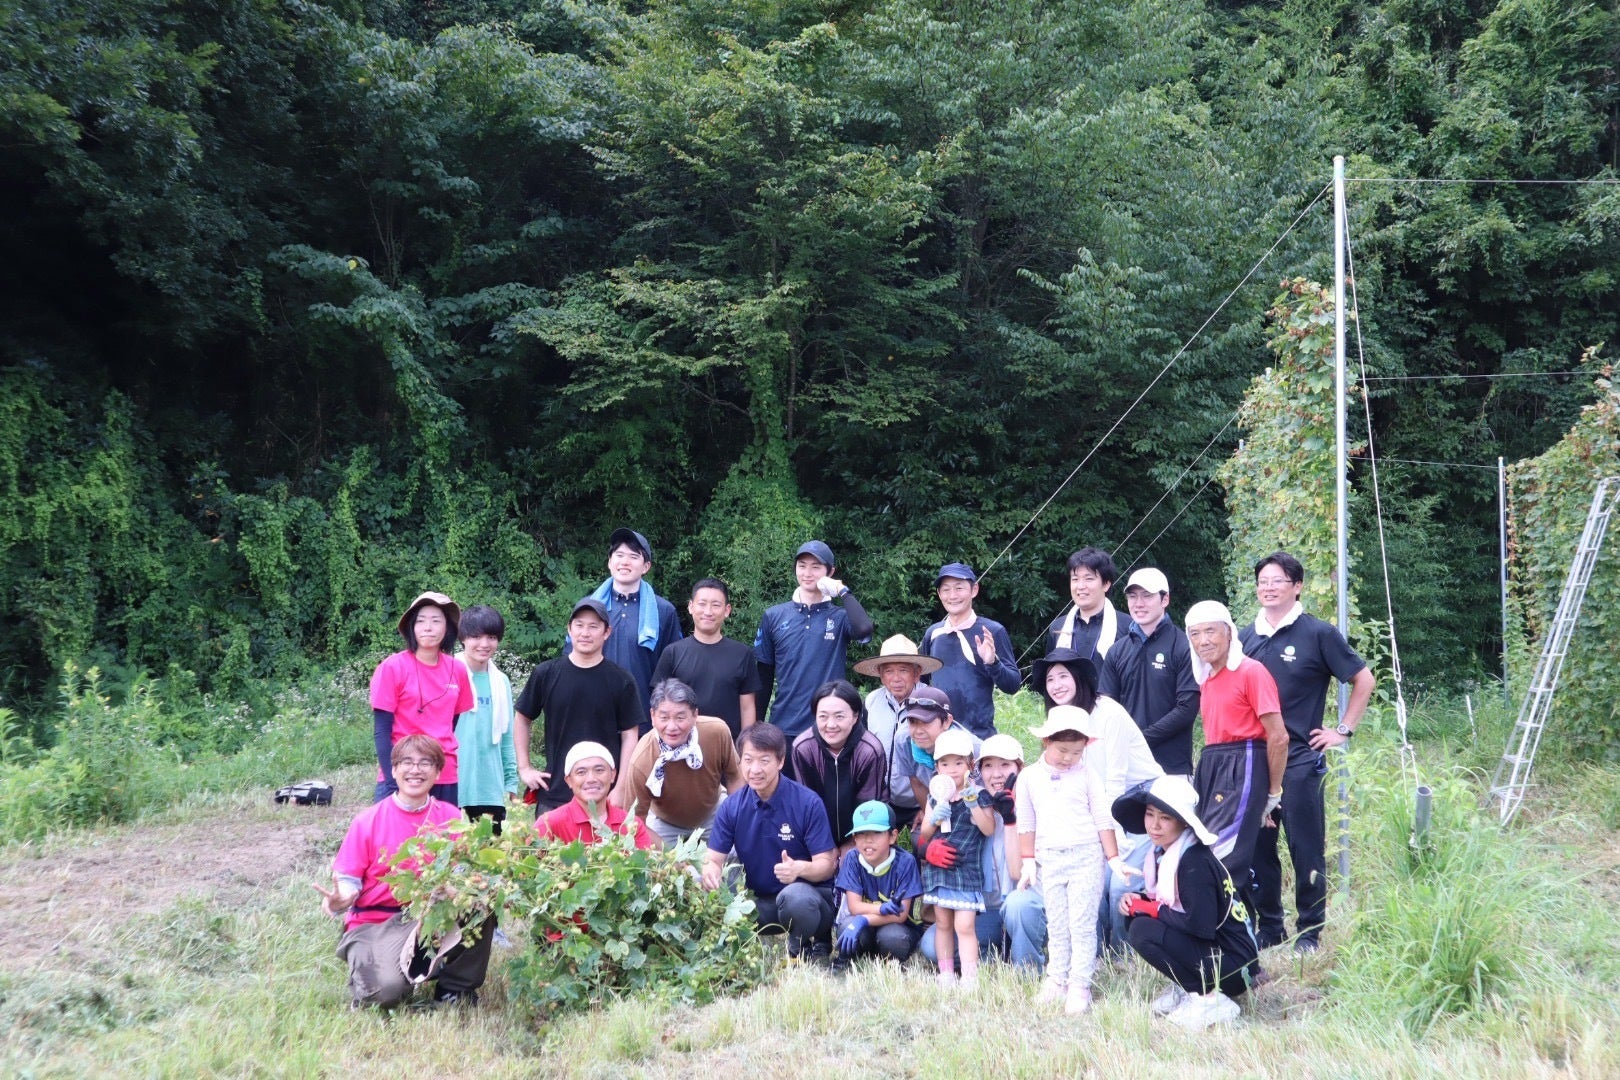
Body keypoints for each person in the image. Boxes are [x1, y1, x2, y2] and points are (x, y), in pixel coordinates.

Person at [1239, 552, 1376, 952]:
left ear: (1297, 586)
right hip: (1256, 758)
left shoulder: (1318, 634)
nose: (1268, 587)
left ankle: (1310, 931)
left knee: (1305, 846)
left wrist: (1342, 730)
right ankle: (1270, 927)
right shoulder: (1245, 638)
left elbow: (1363, 679)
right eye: (1263, 581)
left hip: (1300, 758)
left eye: (1277, 580)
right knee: (1258, 847)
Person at [317, 735, 492, 1008]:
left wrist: (463, 887)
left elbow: (463, 871)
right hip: (376, 923)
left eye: (426, 763)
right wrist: (341, 900)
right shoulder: (368, 821)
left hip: (430, 916)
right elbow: (348, 881)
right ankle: (389, 975)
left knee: (482, 901)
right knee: (383, 995)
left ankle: (454, 989)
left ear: (437, 772)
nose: (415, 770)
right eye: (407, 762)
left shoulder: (452, 818)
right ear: (394, 770)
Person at [1033, 646, 1163, 952]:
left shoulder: (1108, 713)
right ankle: (1096, 952)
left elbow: (1115, 779)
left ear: (1079, 679)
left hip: (1140, 805)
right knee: (1092, 884)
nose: (1056, 685)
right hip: (1099, 809)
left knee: (1120, 885)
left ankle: (1124, 954)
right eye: (1050, 679)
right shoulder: (1061, 720)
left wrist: (1112, 840)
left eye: (1063, 676)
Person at [1114, 775, 1257, 1029]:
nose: (1155, 825)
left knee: (1142, 930)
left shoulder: (1194, 862)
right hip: (1217, 953)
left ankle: (1208, 999)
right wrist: (1139, 902)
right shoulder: (1166, 852)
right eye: (1150, 814)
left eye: (1165, 818)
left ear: (1183, 822)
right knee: (1136, 918)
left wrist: (1153, 909)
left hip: (1235, 967)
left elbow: (1199, 926)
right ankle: (1190, 989)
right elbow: (1169, 906)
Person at [1015, 706, 1125, 1015]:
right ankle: (1057, 979)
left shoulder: (1087, 775)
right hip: (1049, 858)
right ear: (1046, 741)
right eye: (1063, 750)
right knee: (1058, 922)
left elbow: (1102, 817)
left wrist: (1113, 857)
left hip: (1086, 855)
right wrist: (1028, 861)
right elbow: (1026, 822)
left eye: (1077, 752)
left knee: (1082, 923)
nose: (1069, 758)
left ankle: (1080, 984)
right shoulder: (1029, 777)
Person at [702, 724, 839, 959]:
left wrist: (799, 869)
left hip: (809, 900)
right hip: (761, 903)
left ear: (780, 761)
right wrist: (710, 871)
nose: (755, 769)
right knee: (711, 894)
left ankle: (804, 945)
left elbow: (827, 864)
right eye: (748, 760)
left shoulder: (807, 802)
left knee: (796, 899)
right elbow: (714, 859)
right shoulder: (732, 807)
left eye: (764, 761)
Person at [1185, 600, 1287, 909]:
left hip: (1243, 762)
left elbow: (1279, 737)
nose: (1203, 641)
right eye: (1195, 634)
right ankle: (1243, 928)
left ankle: (1234, 935)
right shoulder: (1207, 678)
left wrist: (1271, 794)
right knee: (1205, 848)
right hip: (1213, 763)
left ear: (1229, 632)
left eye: (1210, 631)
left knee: (1223, 858)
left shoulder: (1251, 671)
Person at [919, 733, 1045, 968]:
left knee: (1018, 907)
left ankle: (1022, 963)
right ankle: (990, 953)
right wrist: (928, 849)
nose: (996, 774)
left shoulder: (1032, 804)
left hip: (1024, 904)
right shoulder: (971, 800)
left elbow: (1017, 873)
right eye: (988, 766)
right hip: (983, 907)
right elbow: (928, 833)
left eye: (1005, 765)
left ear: (1019, 768)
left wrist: (1010, 819)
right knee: (930, 945)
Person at [514, 598, 643, 814]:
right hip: (554, 794)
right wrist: (525, 768)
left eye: (593, 626)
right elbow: (522, 718)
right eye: (579, 625)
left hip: (604, 797)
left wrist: (620, 788)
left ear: (607, 632)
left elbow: (630, 735)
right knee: (546, 839)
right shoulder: (546, 673)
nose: (585, 633)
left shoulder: (621, 680)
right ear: (569, 629)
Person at [753, 540, 874, 737]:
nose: (807, 573)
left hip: (829, 729)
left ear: (830, 571)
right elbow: (763, 676)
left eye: (816, 567)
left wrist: (842, 591)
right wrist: (756, 727)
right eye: (802, 566)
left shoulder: (840, 617)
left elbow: (864, 629)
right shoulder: (773, 616)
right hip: (783, 727)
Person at [370, 591, 473, 804]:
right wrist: (393, 780)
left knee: (443, 826)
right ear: (412, 627)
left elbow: (450, 723)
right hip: (404, 772)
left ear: (447, 628)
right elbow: (381, 731)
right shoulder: (393, 667)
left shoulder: (458, 669)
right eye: (421, 621)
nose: (428, 627)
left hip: (444, 772)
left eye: (436, 621)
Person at [575, 528, 683, 733]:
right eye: (619, 555)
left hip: (645, 717)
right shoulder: (587, 608)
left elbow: (673, 669)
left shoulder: (664, 611)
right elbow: (570, 660)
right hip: (592, 713)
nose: (625, 562)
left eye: (633, 556)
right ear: (609, 562)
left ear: (646, 566)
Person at [1098, 567, 1199, 778]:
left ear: (1165, 599)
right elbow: (1106, 708)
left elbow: (1187, 709)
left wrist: (1140, 739)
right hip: (1125, 767)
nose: (1138, 603)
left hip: (1172, 767)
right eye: (1132, 596)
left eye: (1147, 596)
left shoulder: (1184, 646)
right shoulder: (1117, 651)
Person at [918, 726, 996, 989]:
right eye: (945, 763)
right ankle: (946, 973)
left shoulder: (979, 794)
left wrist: (973, 805)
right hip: (940, 869)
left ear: (970, 765)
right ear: (937, 766)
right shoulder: (934, 795)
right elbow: (924, 834)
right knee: (942, 922)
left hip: (966, 869)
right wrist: (935, 818)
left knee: (964, 925)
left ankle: (970, 977)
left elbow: (988, 829)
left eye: (958, 763)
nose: (951, 769)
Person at [625, 678, 743, 846]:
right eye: (664, 718)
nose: (672, 727)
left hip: (714, 809)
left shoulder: (717, 731)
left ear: (695, 715)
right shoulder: (642, 759)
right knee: (656, 860)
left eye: (680, 718)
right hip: (665, 821)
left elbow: (734, 776)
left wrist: (736, 817)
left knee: (741, 847)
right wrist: (669, 855)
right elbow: (634, 820)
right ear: (652, 716)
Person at [920, 562, 1021, 738]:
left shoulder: (992, 631)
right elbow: (921, 682)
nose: (952, 596)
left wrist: (993, 662)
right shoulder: (933, 634)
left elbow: (1012, 685)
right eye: (946, 590)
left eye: (959, 588)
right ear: (939, 594)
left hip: (979, 737)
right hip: (941, 737)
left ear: (974, 590)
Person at [650, 578, 761, 738]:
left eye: (716, 605)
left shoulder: (742, 654)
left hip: (728, 745)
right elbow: (658, 704)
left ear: (727, 610)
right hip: (681, 744)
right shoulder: (672, 653)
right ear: (691, 607)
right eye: (702, 604)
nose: (708, 612)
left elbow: (747, 707)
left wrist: (746, 745)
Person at [787, 680, 888, 854]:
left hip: (862, 834)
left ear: (855, 717)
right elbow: (805, 804)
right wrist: (824, 846)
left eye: (839, 716)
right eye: (823, 716)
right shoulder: (803, 748)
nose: (831, 725)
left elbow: (869, 808)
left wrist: (852, 843)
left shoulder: (870, 750)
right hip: (815, 835)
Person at [853, 634, 940, 822]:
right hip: (880, 799)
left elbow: (944, 757)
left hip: (922, 801)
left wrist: (929, 806)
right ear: (881, 675)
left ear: (917, 673)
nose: (896, 678)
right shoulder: (871, 701)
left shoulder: (931, 702)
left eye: (903, 670)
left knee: (925, 839)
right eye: (889, 671)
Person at [831, 801, 923, 971]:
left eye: (877, 832)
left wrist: (864, 919)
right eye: (861, 833)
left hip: (896, 927)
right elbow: (854, 907)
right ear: (854, 838)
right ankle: (851, 958)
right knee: (846, 926)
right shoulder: (852, 858)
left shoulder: (906, 862)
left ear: (892, 836)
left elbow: (900, 916)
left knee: (893, 938)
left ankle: (890, 961)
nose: (868, 840)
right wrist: (880, 909)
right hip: (866, 925)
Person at [454, 605, 518, 834]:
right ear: (463, 638)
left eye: (491, 637)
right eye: (476, 636)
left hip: (490, 786)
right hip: (453, 783)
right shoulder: (448, 675)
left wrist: (511, 780)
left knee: (491, 851)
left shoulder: (501, 682)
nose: (484, 644)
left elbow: (507, 736)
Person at [889, 687, 981, 832]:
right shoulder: (903, 740)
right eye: (912, 722)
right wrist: (930, 815)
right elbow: (917, 782)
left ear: (947, 721)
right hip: (939, 806)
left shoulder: (973, 748)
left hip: (975, 814)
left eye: (926, 722)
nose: (918, 731)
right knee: (920, 840)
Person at [537, 741, 657, 849]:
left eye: (599, 770)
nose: (591, 779)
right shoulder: (548, 824)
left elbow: (643, 864)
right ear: (569, 781)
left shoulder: (631, 825)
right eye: (581, 772)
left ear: (613, 775)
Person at [1044, 547, 1132, 660]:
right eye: (1075, 579)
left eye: (1089, 579)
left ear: (1106, 584)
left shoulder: (1128, 626)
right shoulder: (1058, 628)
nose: (1080, 586)